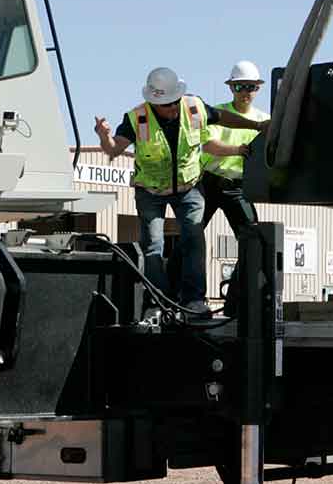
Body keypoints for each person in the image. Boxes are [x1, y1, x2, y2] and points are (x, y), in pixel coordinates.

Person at [93, 67, 269, 316]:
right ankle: (159, 303)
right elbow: (113, 150)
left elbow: (221, 119)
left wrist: (256, 126)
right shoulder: (137, 118)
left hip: (189, 187)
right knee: (153, 245)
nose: (174, 108)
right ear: (153, 101)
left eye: (175, 101)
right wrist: (105, 137)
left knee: (194, 239)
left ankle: (194, 301)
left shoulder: (193, 107)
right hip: (150, 191)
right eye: (167, 105)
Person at [199, 61, 270, 238]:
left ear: (257, 89)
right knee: (190, 234)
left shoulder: (265, 119)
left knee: (251, 236)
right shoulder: (218, 114)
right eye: (239, 87)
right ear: (231, 88)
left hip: (238, 186)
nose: (245, 92)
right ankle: (176, 266)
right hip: (208, 182)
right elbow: (208, 145)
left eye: (250, 87)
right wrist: (238, 150)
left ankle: (246, 267)